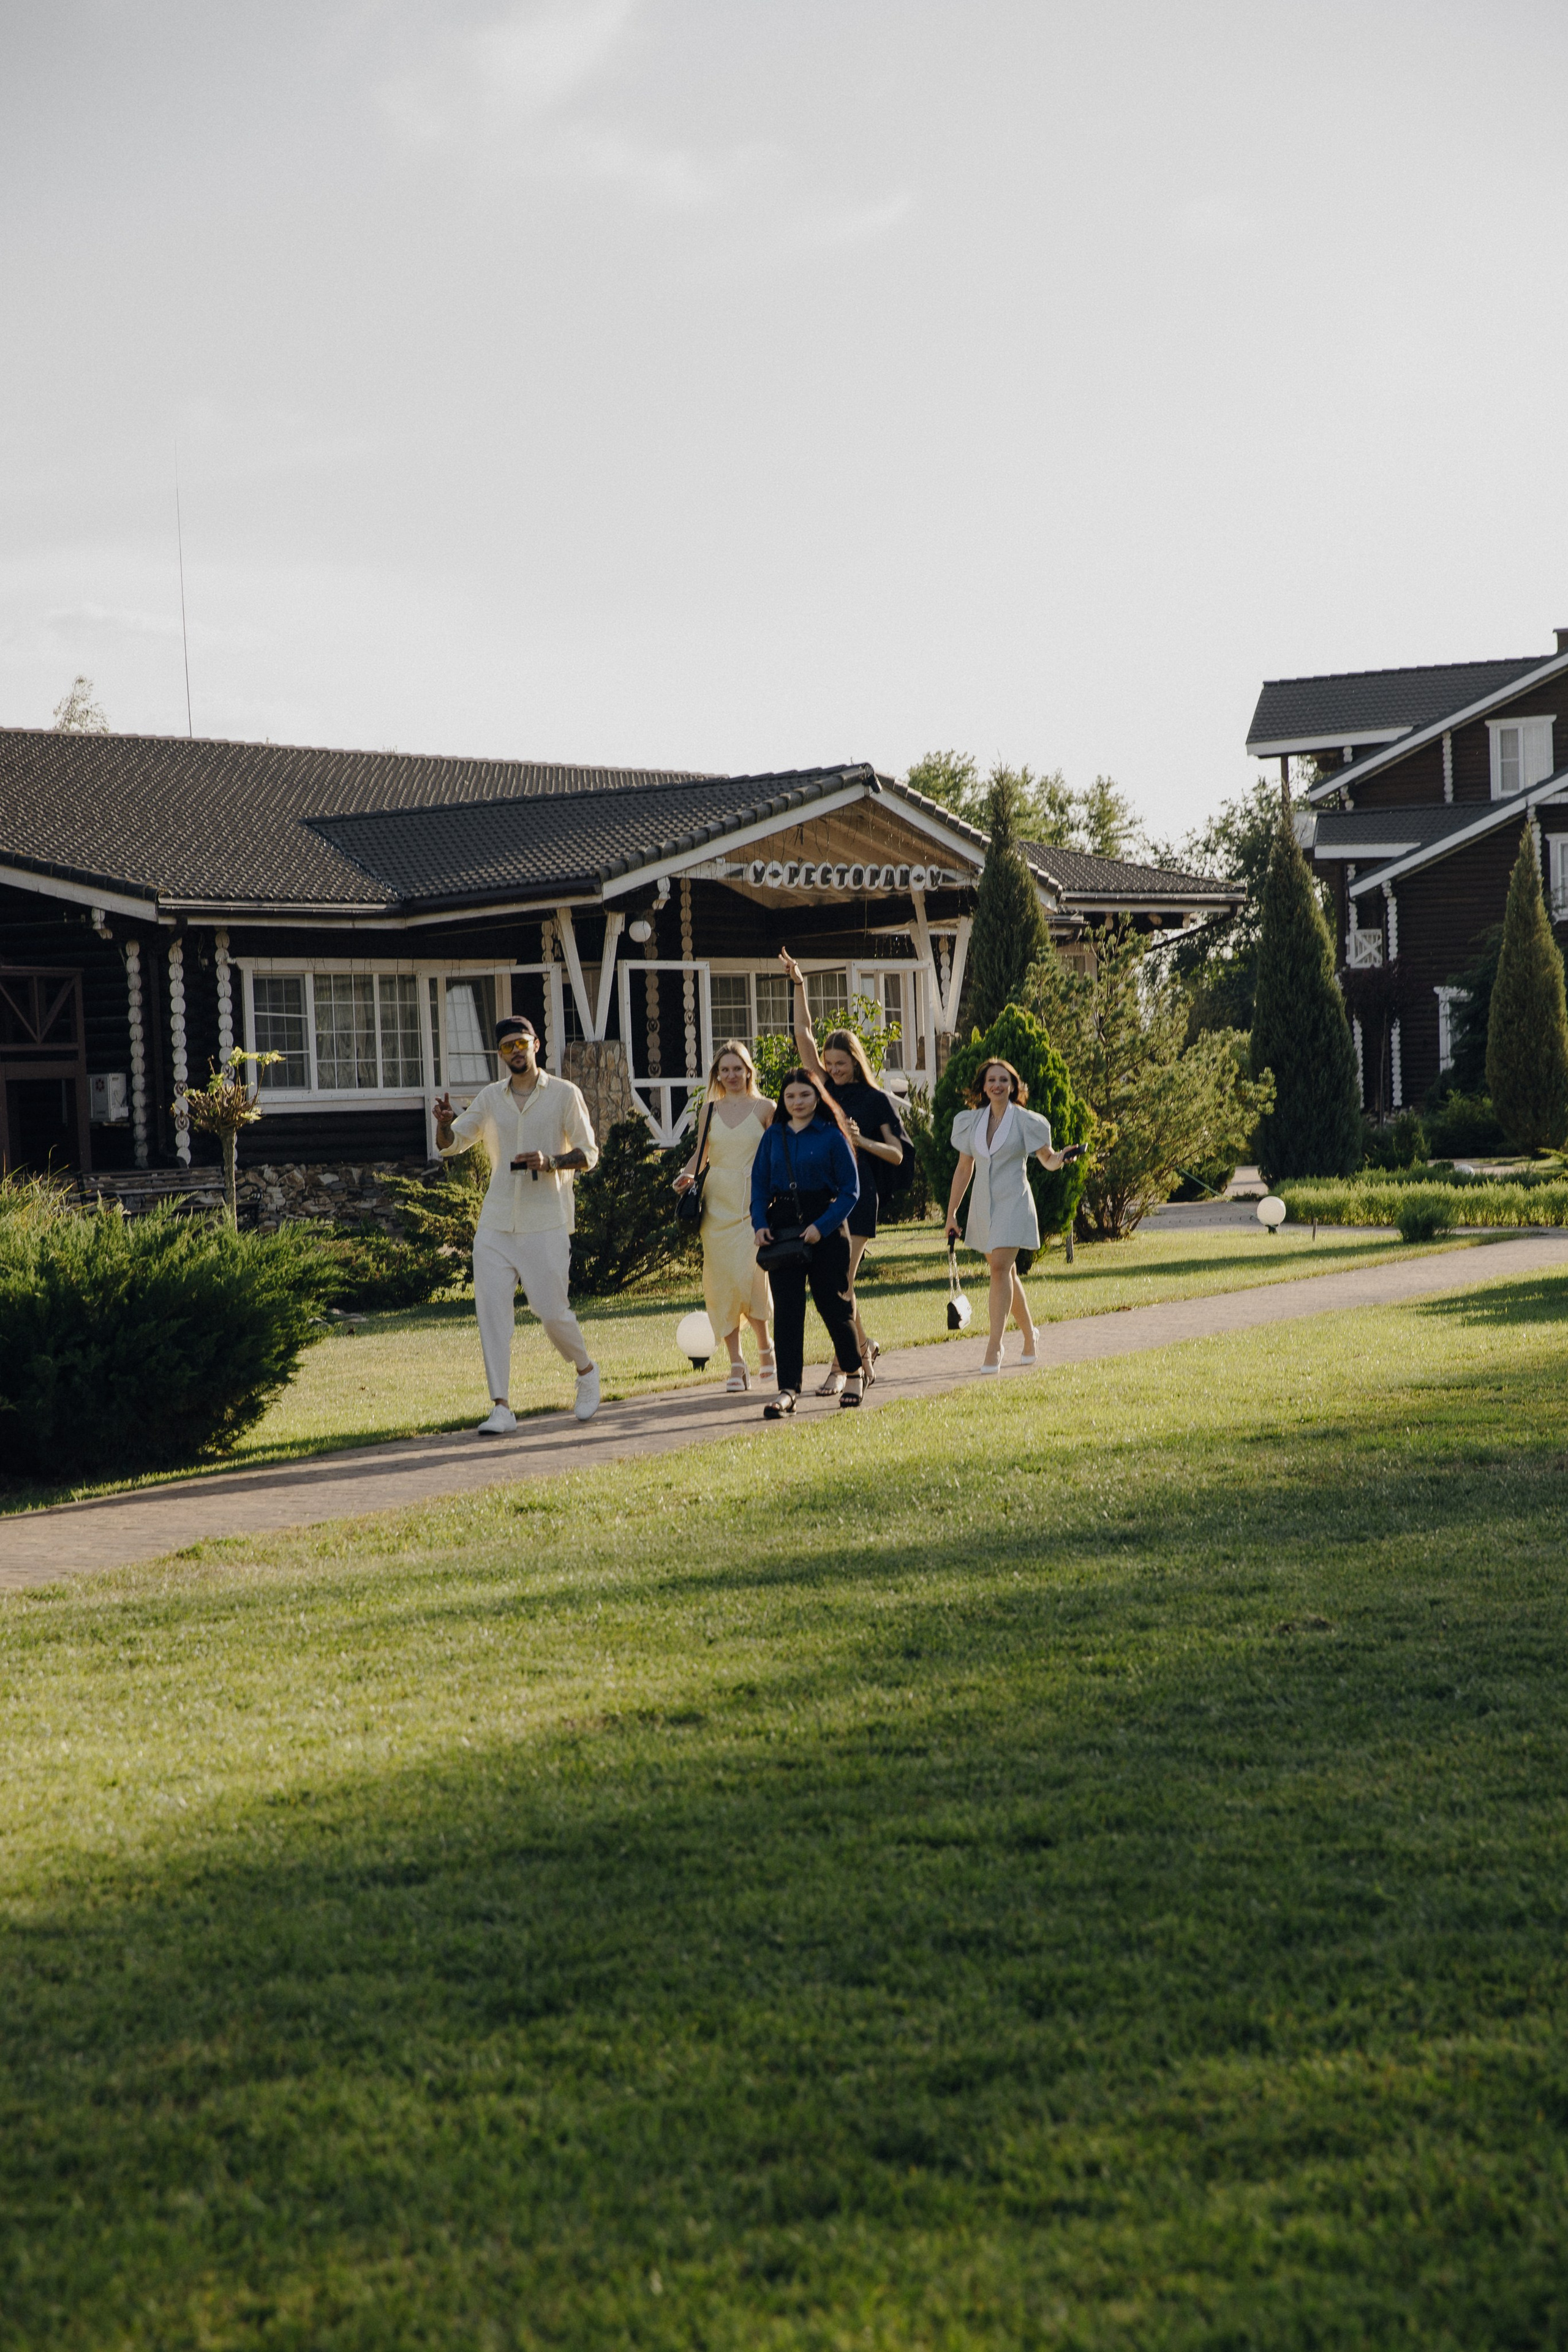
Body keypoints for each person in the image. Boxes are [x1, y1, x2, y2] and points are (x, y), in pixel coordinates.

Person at [433, 1014, 602, 1432]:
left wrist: (553, 1162)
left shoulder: (564, 1094)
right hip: (495, 1224)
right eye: (507, 1047)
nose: (515, 1052)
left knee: (550, 1312)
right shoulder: (490, 1098)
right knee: (491, 1313)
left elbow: (590, 1154)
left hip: (546, 1221)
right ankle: (502, 1407)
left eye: (521, 1044)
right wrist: (443, 1124)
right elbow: (453, 1144)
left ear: (536, 1044)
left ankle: (585, 1372)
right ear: (500, 1053)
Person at [778, 948, 908, 1393]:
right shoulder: (824, 1091)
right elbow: (803, 1034)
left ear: (856, 1060)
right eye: (828, 1066)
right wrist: (800, 985)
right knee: (839, 1285)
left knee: (838, 1283)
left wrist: (862, 1141)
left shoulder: (875, 1101)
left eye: (841, 1064)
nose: (832, 1071)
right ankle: (864, 1348)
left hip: (860, 1196)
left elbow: (897, 1155)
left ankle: (841, 1368)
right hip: (824, 1197)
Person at [945, 1057, 1071, 1373]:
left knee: (1000, 1270)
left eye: (1004, 1080)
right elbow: (964, 1168)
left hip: (1014, 1201)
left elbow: (1048, 1159)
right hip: (984, 1206)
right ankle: (1030, 1336)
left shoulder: (1028, 1121)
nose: (997, 1085)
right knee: (1008, 1274)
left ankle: (994, 1346)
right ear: (984, 1087)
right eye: (992, 1080)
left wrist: (1062, 1158)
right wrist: (951, 1214)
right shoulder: (971, 1122)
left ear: (1013, 1086)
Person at [750, 1067, 862, 1418]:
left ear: (818, 1097)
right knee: (787, 1311)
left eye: (805, 1095)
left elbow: (850, 1192)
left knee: (833, 1304)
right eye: (790, 1097)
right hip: (782, 1228)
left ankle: (855, 1373)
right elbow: (758, 1186)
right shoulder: (773, 1136)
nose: (797, 1102)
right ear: (783, 1101)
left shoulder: (831, 1135)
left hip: (825, 1225)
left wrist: (821, 1226)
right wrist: (760, 1224)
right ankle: (787, 1391)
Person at [673, 1039, 777, 1392]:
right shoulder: (709, 1110)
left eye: (738, 1068)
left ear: (749, 1070)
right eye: (725, 1070)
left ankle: (766, 1348)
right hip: (716, 1205)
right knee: (722, 1282)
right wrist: (686, 1176)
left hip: (753, 1203)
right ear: (717, 1074)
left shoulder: (766, 1108)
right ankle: (737, 1363)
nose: (732, 1075)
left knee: (752, 1278)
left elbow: (777, 1156)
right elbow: (701, 1155)